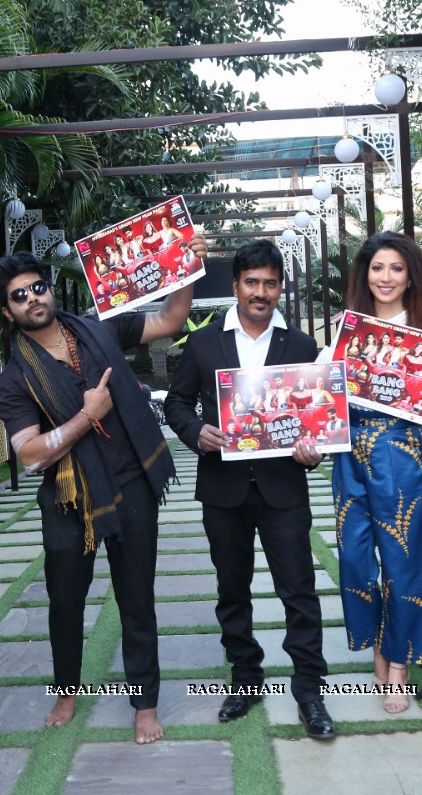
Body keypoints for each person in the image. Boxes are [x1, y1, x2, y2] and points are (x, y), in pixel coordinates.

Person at [0, 237, 204, 745]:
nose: (33, 299)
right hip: (68, 501)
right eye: (19, 296)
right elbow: (30, 453)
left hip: (132, 485)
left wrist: (186, 265)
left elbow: (169, 321)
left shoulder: (99, 329)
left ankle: (144, 702)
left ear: (51, 289)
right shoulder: (15, 379)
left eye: (38, 288)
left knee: (136, 598)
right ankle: (66, 689)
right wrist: (87, 416)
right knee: (65, 599)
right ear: (8, 312)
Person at [165, 239, 335, 738]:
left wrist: (314, 448)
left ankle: (310, 690)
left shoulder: (302, 347)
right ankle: (245, 678)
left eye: (270, 283)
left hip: (284, 488)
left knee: (299, 592)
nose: (261, 292)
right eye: (252, 282)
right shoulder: (204, 343)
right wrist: (196, 432)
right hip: (225, 489)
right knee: (231, 591)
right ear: (236, 285)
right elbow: (176, 404)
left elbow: (317, 419)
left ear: (280, 287)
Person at [325, 232, 422, 714]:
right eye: (378, 268)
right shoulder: (345, 329)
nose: (387, 277)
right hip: (349, 454)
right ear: (365, 275)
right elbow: (321, 389)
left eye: (397, 268)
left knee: (401, 563)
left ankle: (397, 661)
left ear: (411, 275)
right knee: (354, 560)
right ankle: (376, 643)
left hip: (402, 455)